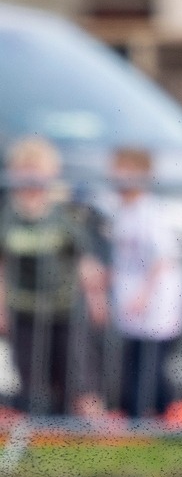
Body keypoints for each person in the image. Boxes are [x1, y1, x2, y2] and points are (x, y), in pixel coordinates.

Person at [0, 136, 107, 415]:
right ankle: (42, 441)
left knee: (80, 381)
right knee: (32, 385)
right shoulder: (8, 215)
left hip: (65, 311)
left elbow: (86, 261)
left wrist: (97, 300)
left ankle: (100, 441)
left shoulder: (63, 213)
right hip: (24, 312)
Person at [108, 148, 182, 418]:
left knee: (150, 366)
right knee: (134, 362)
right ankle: (140, 415)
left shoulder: (151, 212)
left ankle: (153, 415)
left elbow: (163, 257)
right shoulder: (123, 212)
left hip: (154, 306)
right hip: (131, 306)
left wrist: (144, 294)